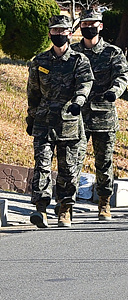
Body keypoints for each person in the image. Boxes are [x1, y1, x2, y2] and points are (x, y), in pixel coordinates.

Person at [26, 15, 94, 228]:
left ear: (69, 33)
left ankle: (64, 208)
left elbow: (85, 83)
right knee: (42, 166)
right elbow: (33, 92)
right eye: (55, 31)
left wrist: (78, 102)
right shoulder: (40, 61)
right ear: (50, 33)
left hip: (69, 122)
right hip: (44, 122)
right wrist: (31, 117)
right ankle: (41, 209)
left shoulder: (79, 61)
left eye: (63, 31)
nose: (59, 35)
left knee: (67, 169)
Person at [72, 8, 128, 221]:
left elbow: (123, 75)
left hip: (103, 115)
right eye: (85, 25)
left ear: (101, 26)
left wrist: (114, 92)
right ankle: (66, 205)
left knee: (104, 162)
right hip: (76, 116)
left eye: (93, 24)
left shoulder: (112, 52)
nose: (89, 28)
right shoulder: (73, 52)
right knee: (72, 161)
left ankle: (104, 203)